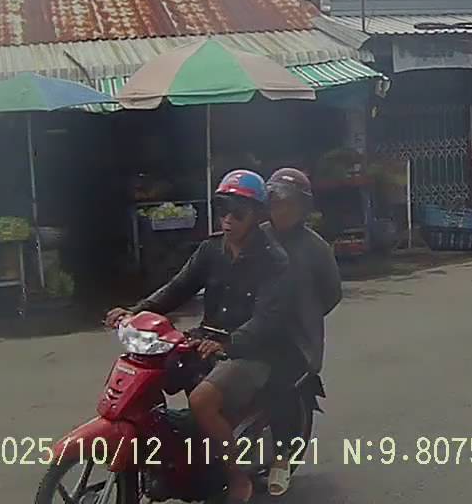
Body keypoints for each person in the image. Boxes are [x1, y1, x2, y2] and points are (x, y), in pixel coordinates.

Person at [104, 170, 298, 504]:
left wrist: (229, 342)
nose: (228, 219)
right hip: (208, 340)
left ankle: (238, 478)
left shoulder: (274, 260)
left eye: (238, 212)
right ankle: (171, 461)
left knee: (201, 401)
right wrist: (136, 311)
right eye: (223, 209)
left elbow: (268, 317)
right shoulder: (211, 249)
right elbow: (179, 287)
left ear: (256, 216)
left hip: (252, 351)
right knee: (150, 376)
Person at [260, 167, 342, 497]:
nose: (282, 210)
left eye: (289, 204)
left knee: (279, 381)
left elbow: (332, 293)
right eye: (276, 203)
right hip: (251, 327)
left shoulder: (316, 248)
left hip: (296, 340)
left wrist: (304, 316)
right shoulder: (257, 237)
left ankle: (281, 457)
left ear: (303, 208)